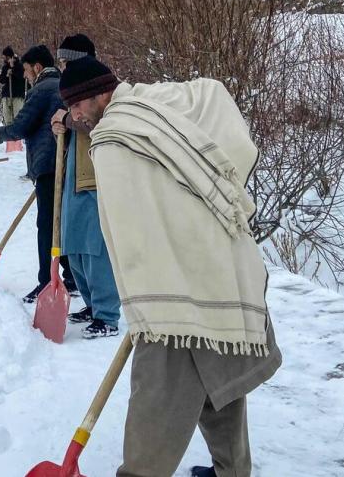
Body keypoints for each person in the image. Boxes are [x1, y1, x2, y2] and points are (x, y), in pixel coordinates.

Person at [59, 58, 282, 477]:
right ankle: (231, 471)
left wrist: (142, 290)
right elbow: (213, 91)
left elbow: (129, 228)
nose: (75, 116)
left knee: (158, 393)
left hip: (172, 290)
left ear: (100, 93)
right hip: (220, 266)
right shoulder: (155, 100)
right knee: (220, 370)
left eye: (77, 106)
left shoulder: (110, 140)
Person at [0, 45, 75, 303]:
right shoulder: (63, 85)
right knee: (63, 223)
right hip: (65, 163)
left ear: (37, 67)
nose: (25, 76)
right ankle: (72, 276)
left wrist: (0, 133)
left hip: (48, 163)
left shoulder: (42, 89)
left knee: (46, 225)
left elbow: (21, 126)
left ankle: (46, 280)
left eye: (26, 70)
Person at [48, 35, 120, 339]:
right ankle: (91, 304)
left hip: (96, 179)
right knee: (73, 245)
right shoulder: (73, 92)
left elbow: (99, 125)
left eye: (66, 61)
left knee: (95, 249)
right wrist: (59, 127)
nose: (63, 67)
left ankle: (107, 313)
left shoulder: (102, 94)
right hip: (73, 177)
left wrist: (67, 118)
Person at [0, 46, 26, 125]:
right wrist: (6, 74)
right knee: (7, 117)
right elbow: (1, 80)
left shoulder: (20, 65)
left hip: (17, 95)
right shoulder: (5, 67)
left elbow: (22, 77)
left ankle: (17, 135)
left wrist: (13, 69)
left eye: (5, 57)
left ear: (9, 56)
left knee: (17, 117)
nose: (4, 59)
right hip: (7, 95)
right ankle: (9, 135)